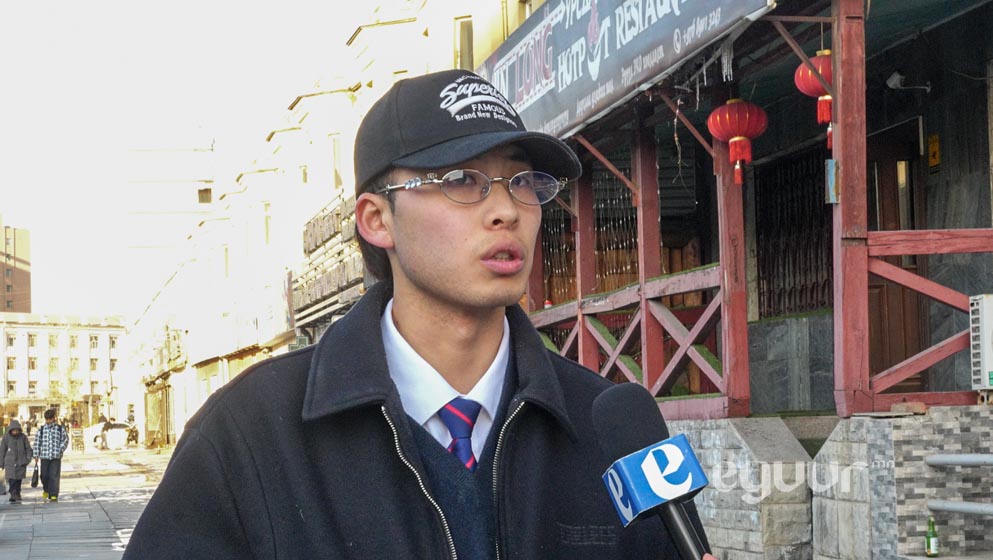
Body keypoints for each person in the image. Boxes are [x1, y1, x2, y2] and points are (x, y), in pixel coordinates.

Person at [124, 69, 710, 559]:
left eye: (523, 182)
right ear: (377, 219)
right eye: (462, 180)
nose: (506, 210)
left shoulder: (608, 428)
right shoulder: (252, 434)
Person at [33, 408, 69, 502]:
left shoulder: (60, 429)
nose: (48, 421)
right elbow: (37, 442)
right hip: (44, 456)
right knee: (44, 475)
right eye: (47, 419)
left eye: (50, 419)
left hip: (55, 457)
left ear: (54, 418)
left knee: (54, 476)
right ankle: (46, 489)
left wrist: (60, 449)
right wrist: (36, 455)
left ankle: (53, 494)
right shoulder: (41, 429)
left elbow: (65, 440)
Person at [0, 419, 32, 502]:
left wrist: (28, 459)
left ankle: (17, 493)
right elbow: (2, 450)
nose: (15, 432)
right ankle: (13, 493)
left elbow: (28, 448)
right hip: (10, 463)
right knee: (12, 480)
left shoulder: (23, 437)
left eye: (16, 430)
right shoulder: (6, 437)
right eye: (13, 430)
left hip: (21, 462)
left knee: (18, 480)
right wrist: (1, 463)